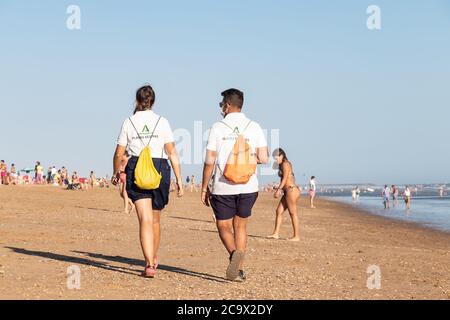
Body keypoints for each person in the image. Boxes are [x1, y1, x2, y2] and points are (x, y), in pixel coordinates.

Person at [112, 85, 183, 278]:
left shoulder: (129, 121)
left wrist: (115, 172)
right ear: (153, 101)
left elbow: (119, 152)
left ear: (137, 101)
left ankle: (149, 263)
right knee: (155, 219)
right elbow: (172, 152)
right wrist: (179, 179)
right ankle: (152, 257)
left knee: (145, 219)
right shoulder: (162, 122)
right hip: (159, 168)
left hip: (137, 167)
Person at [201, 88, 268, 281]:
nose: (221, 108)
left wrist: (204, 187)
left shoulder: (218, 127)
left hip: (223, 186)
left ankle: (233, 256)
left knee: (223, 225)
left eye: (222, 104)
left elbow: (209, 160)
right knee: (241, 226)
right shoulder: (254, 126)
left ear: (228, 105)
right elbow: (263, 158)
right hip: (248, 186)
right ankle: (238, 268)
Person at [267, 148, 301, 241]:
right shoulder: (282, 165)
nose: (275, 160)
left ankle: (296, 236)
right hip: (287, 191)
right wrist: (277, 188)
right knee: (279, 211)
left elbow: (285, 178)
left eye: (276, 158)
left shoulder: (285, 164)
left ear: (281, 156)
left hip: (291, 190)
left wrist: (278, 190)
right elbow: (284, 180)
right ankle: (276, 233)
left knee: (292, 213)